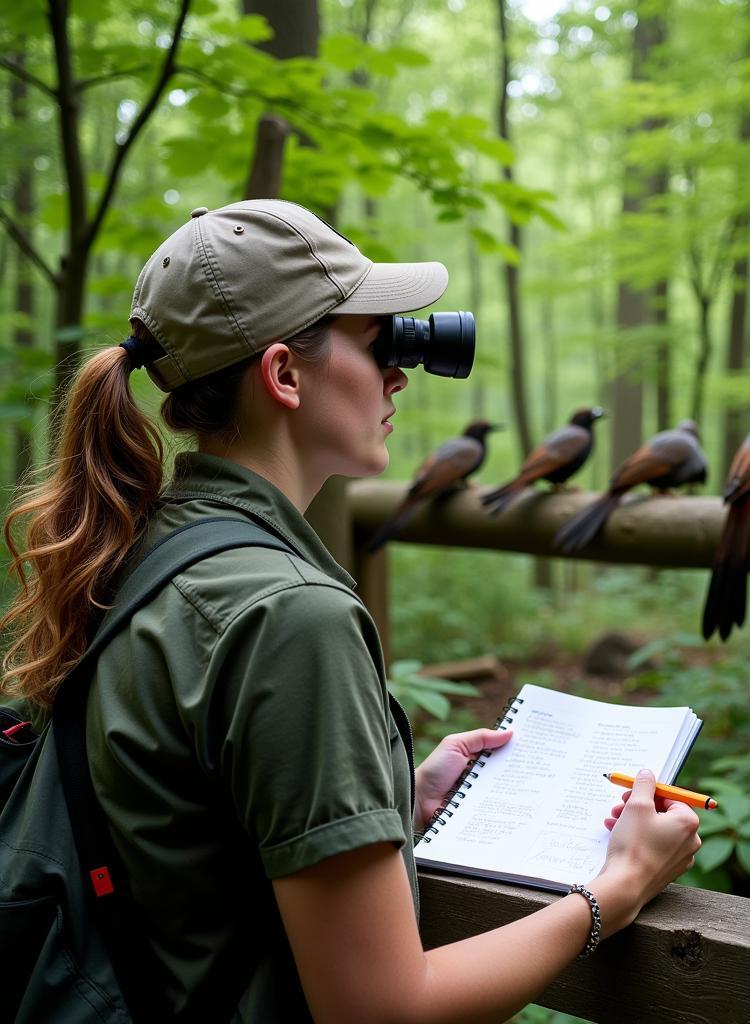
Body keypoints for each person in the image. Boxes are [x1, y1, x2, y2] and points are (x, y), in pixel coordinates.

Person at [1, 199, 701, 1022]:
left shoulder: (146, 550)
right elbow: (379, 1009)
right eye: (382, 344)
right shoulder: (290, 617)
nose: (402, 372)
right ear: (285, 376)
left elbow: (180, 823)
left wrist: (386, 800)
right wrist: (614, 892)